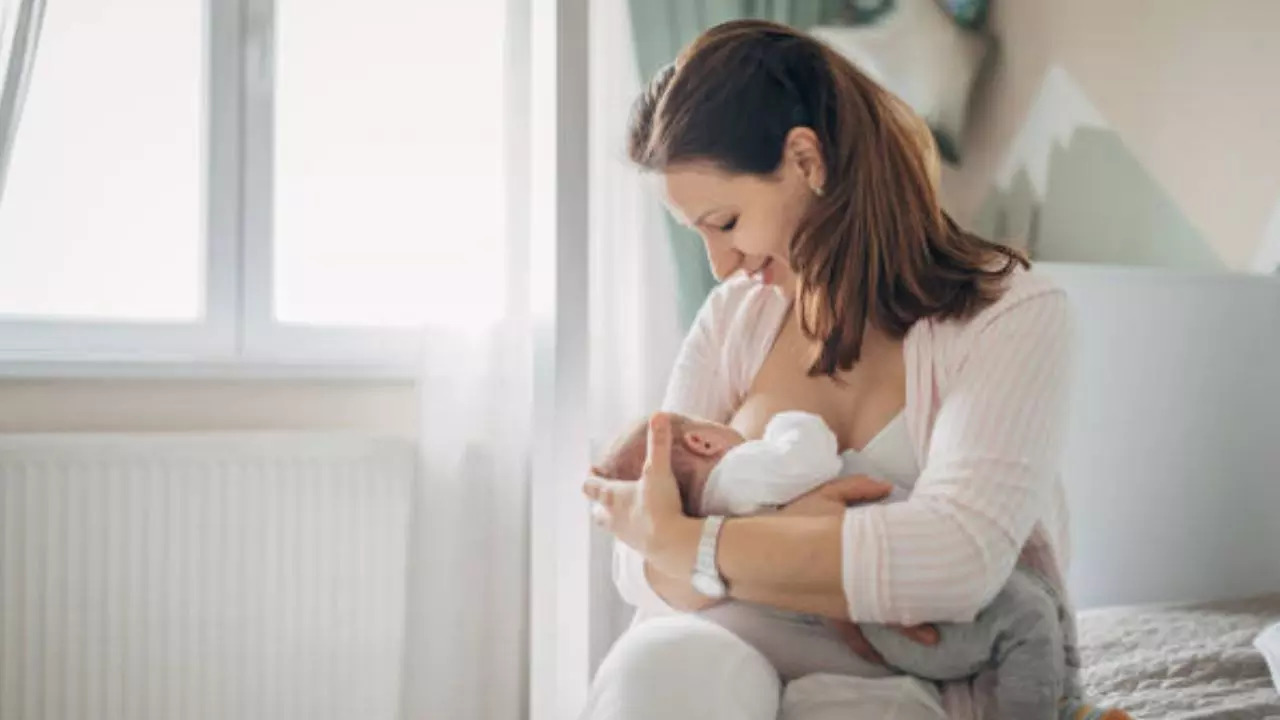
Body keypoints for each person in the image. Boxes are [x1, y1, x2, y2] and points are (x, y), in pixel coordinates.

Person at [580, 18, 1090, 720]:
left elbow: (957, 561)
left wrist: (694, 542)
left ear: (805, 160)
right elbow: (637, 564)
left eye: (725, 223)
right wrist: (795, 542)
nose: (719, 265)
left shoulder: (1010, 316)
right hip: (729, 654)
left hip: (912, 681)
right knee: (657, 672)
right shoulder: (735, 318)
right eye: (697, 233)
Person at [595, 411, 1128, 719]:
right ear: (703, 441)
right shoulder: (745, 470)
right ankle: (1066, 708)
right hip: (887, 598)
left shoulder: (716, 513)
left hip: (878, 620)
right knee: (1030, 617)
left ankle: (1064, 706)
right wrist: (789, 431)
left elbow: (650, 542)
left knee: (1001, 645)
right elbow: (811, 449)